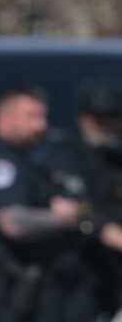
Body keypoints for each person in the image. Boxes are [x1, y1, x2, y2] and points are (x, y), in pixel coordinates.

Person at [0, 85, 95, 322]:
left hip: (43, 288)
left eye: (43, 117)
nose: (41, 126)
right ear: (5, 117)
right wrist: (64, 217)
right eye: (32, 117)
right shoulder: (1, 162)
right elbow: (13, 222)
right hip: (12, 287)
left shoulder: (28, 161)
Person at [47, 80, 122, 317]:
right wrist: (112, 234)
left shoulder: (115, 158)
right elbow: (77, 207)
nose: (105, 125)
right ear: (84, 118)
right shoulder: (67, 154)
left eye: (112, 118)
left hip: (113, 270)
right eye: (98, 118)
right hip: (79, 268)